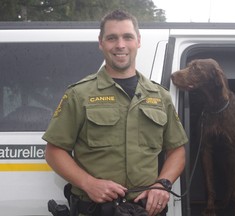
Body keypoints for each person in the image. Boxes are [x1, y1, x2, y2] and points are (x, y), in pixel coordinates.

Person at [43, 9, 188, 216]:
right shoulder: (79, 94)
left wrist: (162, 184)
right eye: (112, 38)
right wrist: (89, 183)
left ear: (138, 41)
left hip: (146, 211)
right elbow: (54, 151)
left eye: (127, 37)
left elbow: (177, 151)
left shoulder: (160, 96)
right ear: (101, 43)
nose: (120, 45)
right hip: (96, 210)